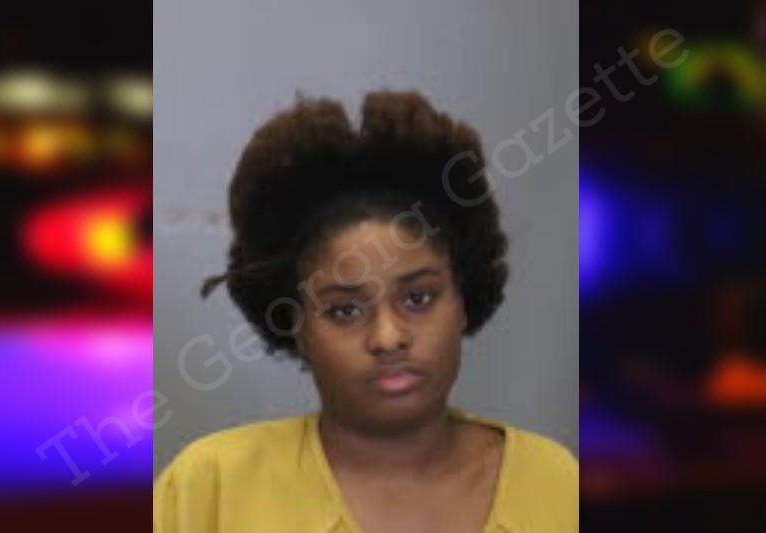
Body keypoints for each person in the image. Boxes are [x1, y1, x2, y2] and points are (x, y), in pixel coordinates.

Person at [154, 91, 578, 532]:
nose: (388, 337)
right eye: (344, 311)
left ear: (464, 300)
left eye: (418, 299)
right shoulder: (210, 488)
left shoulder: (556, 482)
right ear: (298, 326)